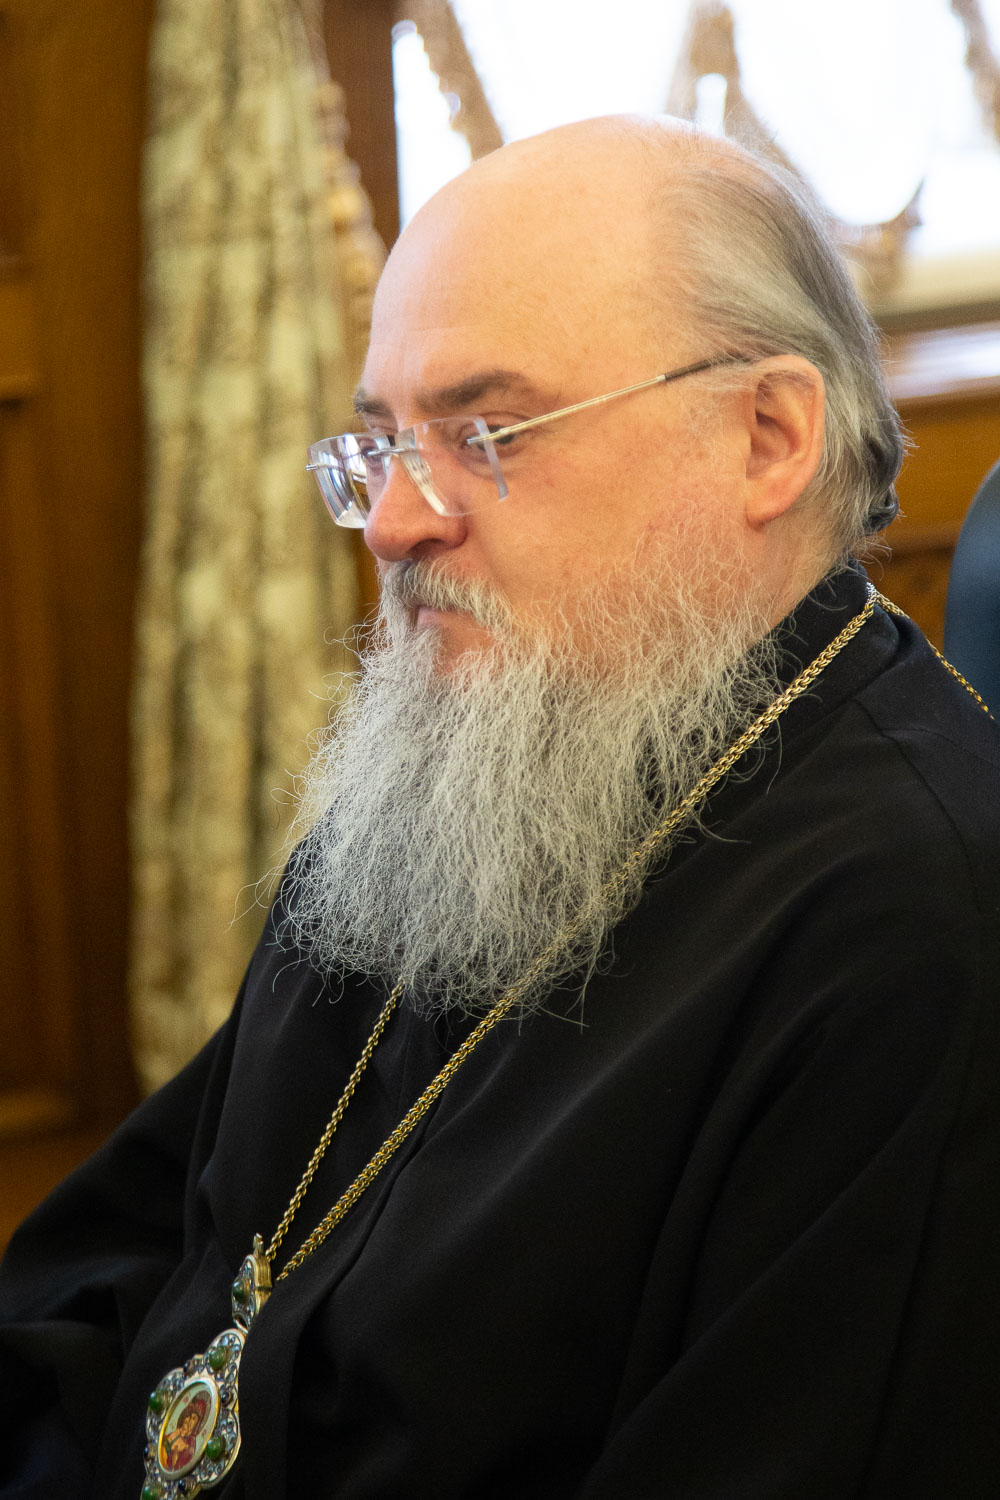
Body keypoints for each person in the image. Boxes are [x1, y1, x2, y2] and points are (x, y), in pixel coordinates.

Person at [1, 115, 998, 1500]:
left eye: (484, 433)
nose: (395, 522)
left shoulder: (918, 934)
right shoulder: (462, 765)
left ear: (767, 438)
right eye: (382, 443)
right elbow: (140, 1252)